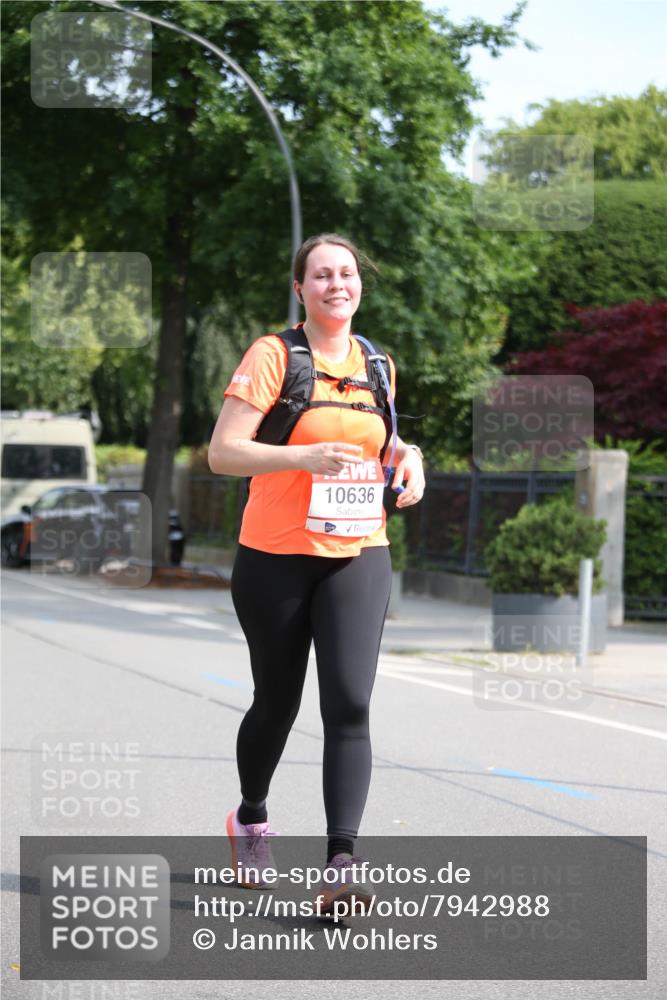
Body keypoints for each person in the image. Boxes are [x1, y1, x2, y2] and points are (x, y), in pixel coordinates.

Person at [208, 233, 425, 913]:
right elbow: (223, 453)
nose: (337, 283)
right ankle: (250, 818)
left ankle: (340, 864)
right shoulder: (274, 355)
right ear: (300, 289)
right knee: (277, 702)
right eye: (322, 274)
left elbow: (383, 441)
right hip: (274, 556)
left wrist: (409, 455)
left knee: (350, 704)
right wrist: (302, 459)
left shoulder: (379, 364)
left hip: (359, 551)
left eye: (347, 273)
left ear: (360, 285)